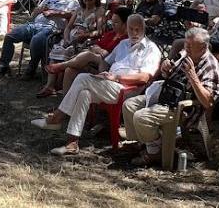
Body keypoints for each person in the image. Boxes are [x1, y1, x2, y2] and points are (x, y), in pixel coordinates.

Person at [30, 14, 162, 156]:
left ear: (144, 28)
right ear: (127, 29)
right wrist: (98, 59)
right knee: (84, 93)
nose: (135, 33)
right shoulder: (123, 44)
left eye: (138, 29)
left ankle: (56, 118)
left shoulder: (151, 49)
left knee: (82, 79)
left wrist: (117, 77)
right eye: (131, 29)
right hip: (110, 83)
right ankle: (72, 142)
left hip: (128, 89)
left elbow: (144, 77)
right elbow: (107, 62)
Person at [122, 27, 219, 167]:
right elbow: (169, 76)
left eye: (190, 46)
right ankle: (147, 143)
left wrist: (193, 77)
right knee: (129, 105)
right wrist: (165, 69)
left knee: (141, 117)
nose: (185, 48)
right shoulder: (186, 54)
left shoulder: (210, 66)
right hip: (167, 95)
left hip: (184, 107)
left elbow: (208, 103)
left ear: (203, 47)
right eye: (186, 44)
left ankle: (154, 153)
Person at [0, 0, 79, 79]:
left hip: (52, 29)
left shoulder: (72, 0)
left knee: (36, 40)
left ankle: (31, 68)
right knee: (9, 36)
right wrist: (38, 10)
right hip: (34, 25)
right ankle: (4, 66)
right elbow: (33, 15)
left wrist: (55, 12)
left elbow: (73, 16)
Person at [38, 6, 132, 97]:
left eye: (116, 22)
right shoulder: (111, 34)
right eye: (112, 21)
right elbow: (95, 44)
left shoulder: (126, 40)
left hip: (105, 68)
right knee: (70, 70)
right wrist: (97, 49)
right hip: (92, 62)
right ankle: (64, 107)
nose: (112, 24)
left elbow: (108, 56)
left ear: (125, 23)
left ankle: (61, 65)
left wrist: (97, 49)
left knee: (88, 55)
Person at [47, 0, 105, 64]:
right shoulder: (79, 9)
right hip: (69, 41)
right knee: (53, 60)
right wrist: (66, 40)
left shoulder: (99, 11)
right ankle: (51, 74)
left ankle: (61, 73)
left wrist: (84, 35)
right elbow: (68, 27)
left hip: (85, 43)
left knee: (62, 60)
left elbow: (99, 32)